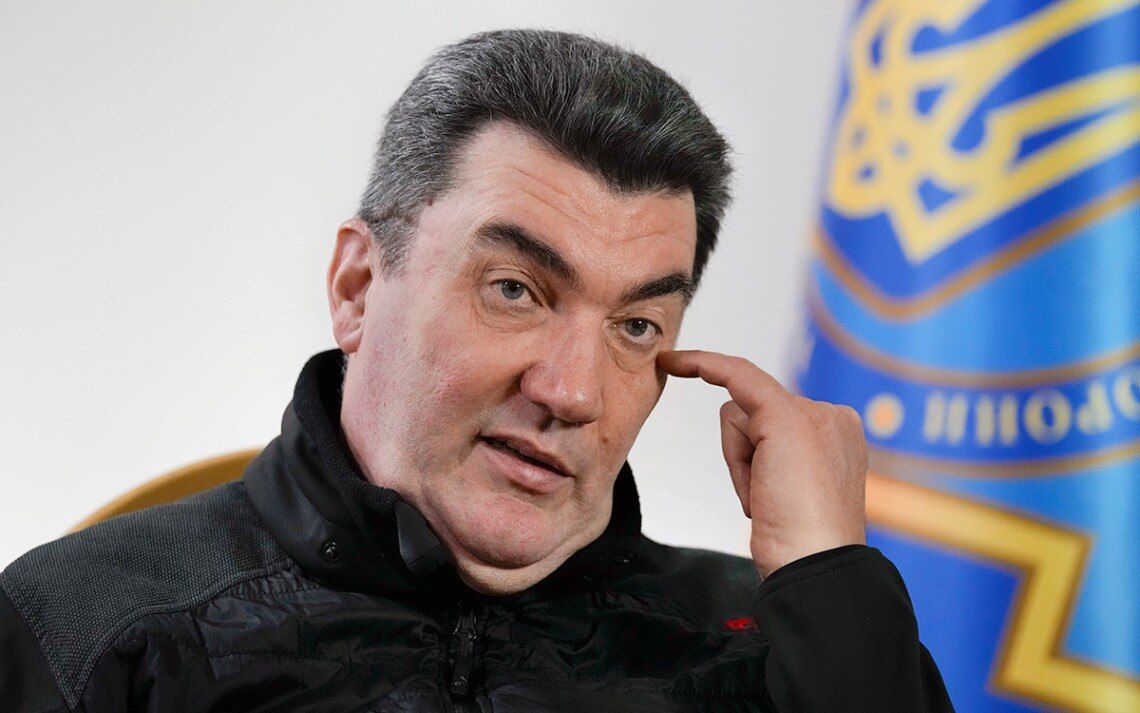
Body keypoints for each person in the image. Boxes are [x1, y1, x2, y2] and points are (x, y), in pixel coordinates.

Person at [0, 29, 953, 712]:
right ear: (359, 286)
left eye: (635, 325)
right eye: (514, 290)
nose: (573, 392)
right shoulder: (89, 624)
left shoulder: (774, 647)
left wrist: (831, 578)